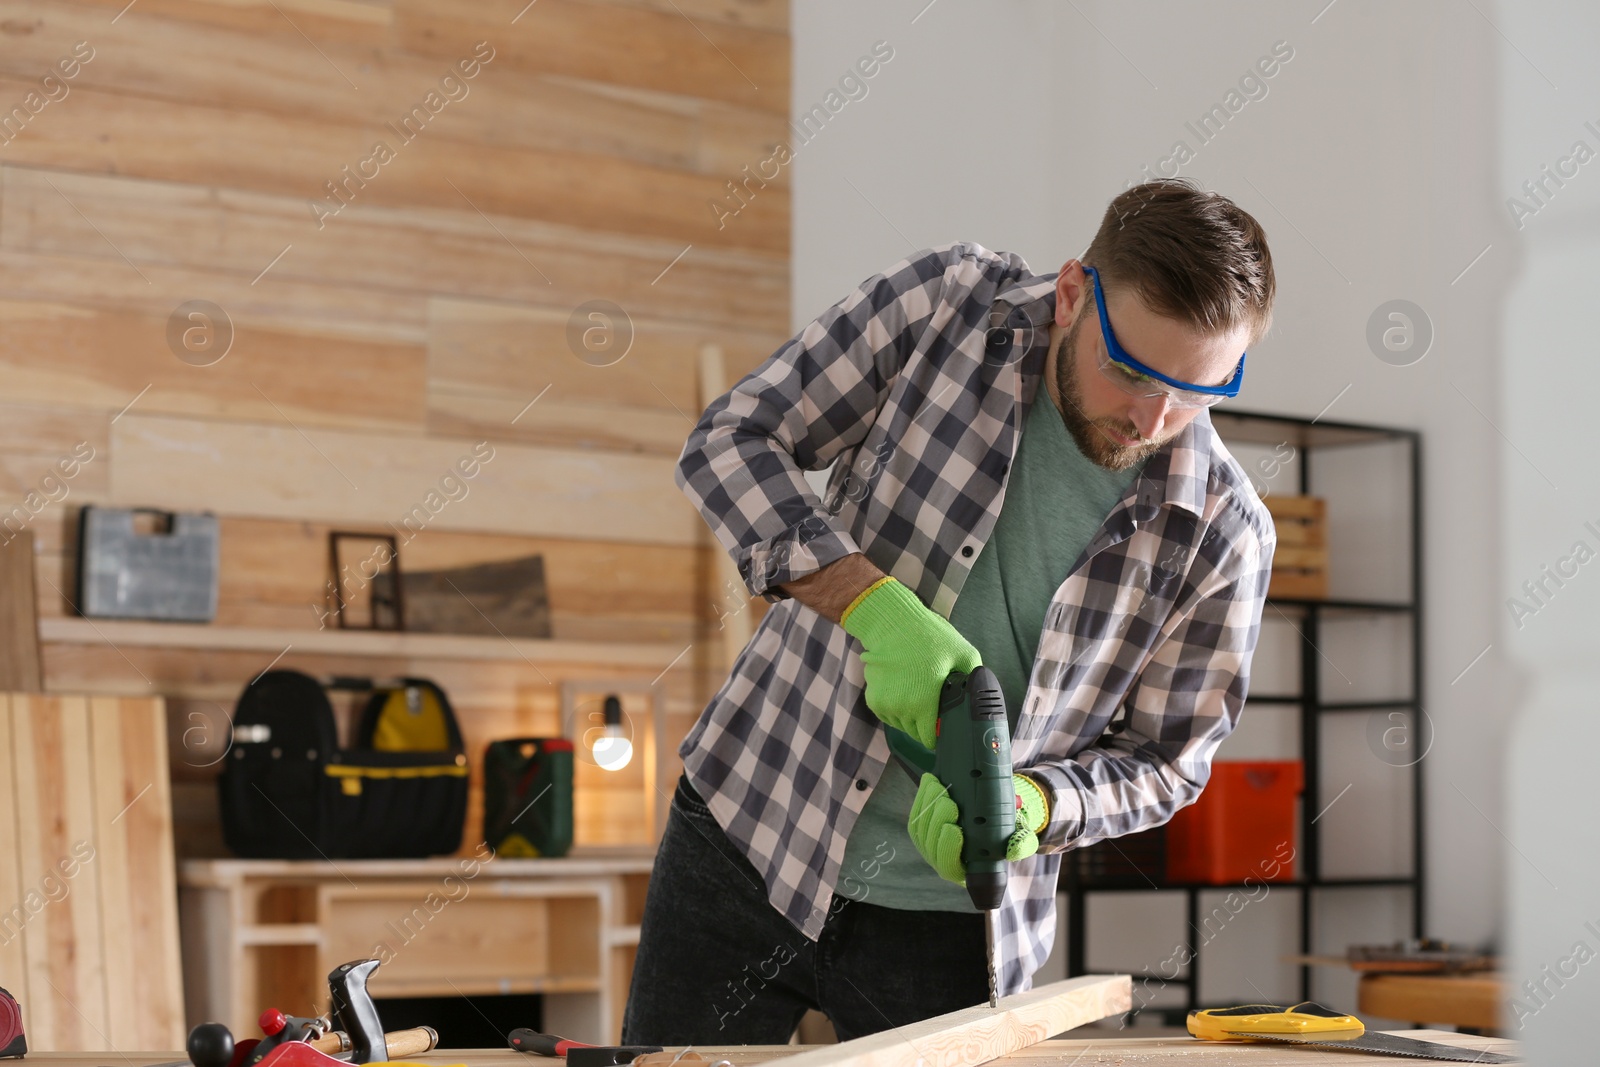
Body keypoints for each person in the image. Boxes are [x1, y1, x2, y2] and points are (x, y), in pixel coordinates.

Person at [622, 178, 1279, 1043]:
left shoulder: (1224, 531)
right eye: (1129, 370)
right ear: (1076, 292)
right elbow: (732, 441)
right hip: (751, 829)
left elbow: (1168, 760)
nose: (1152, 419)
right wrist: (870, 603)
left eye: (1199, 388)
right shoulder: (949, 309)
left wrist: (1037, 805)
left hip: (949, 925)